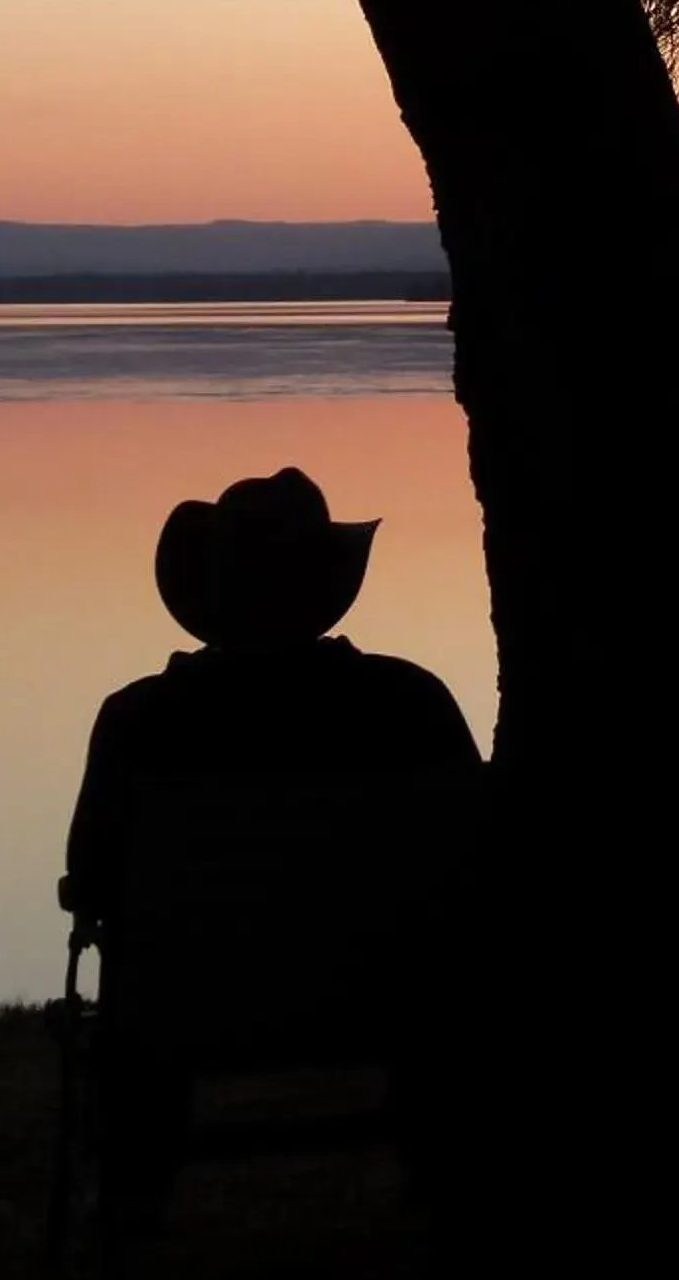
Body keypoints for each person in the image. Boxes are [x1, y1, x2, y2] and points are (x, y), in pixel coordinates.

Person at [63, 467, 480, 1208]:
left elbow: (91, 879)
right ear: (325, 585)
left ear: (208, 591)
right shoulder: (408, 704)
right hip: (388, 1001)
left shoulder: (139, 722)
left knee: (137, 990)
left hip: (182, 1010)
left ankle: (133, 1212)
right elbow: (474, 850)